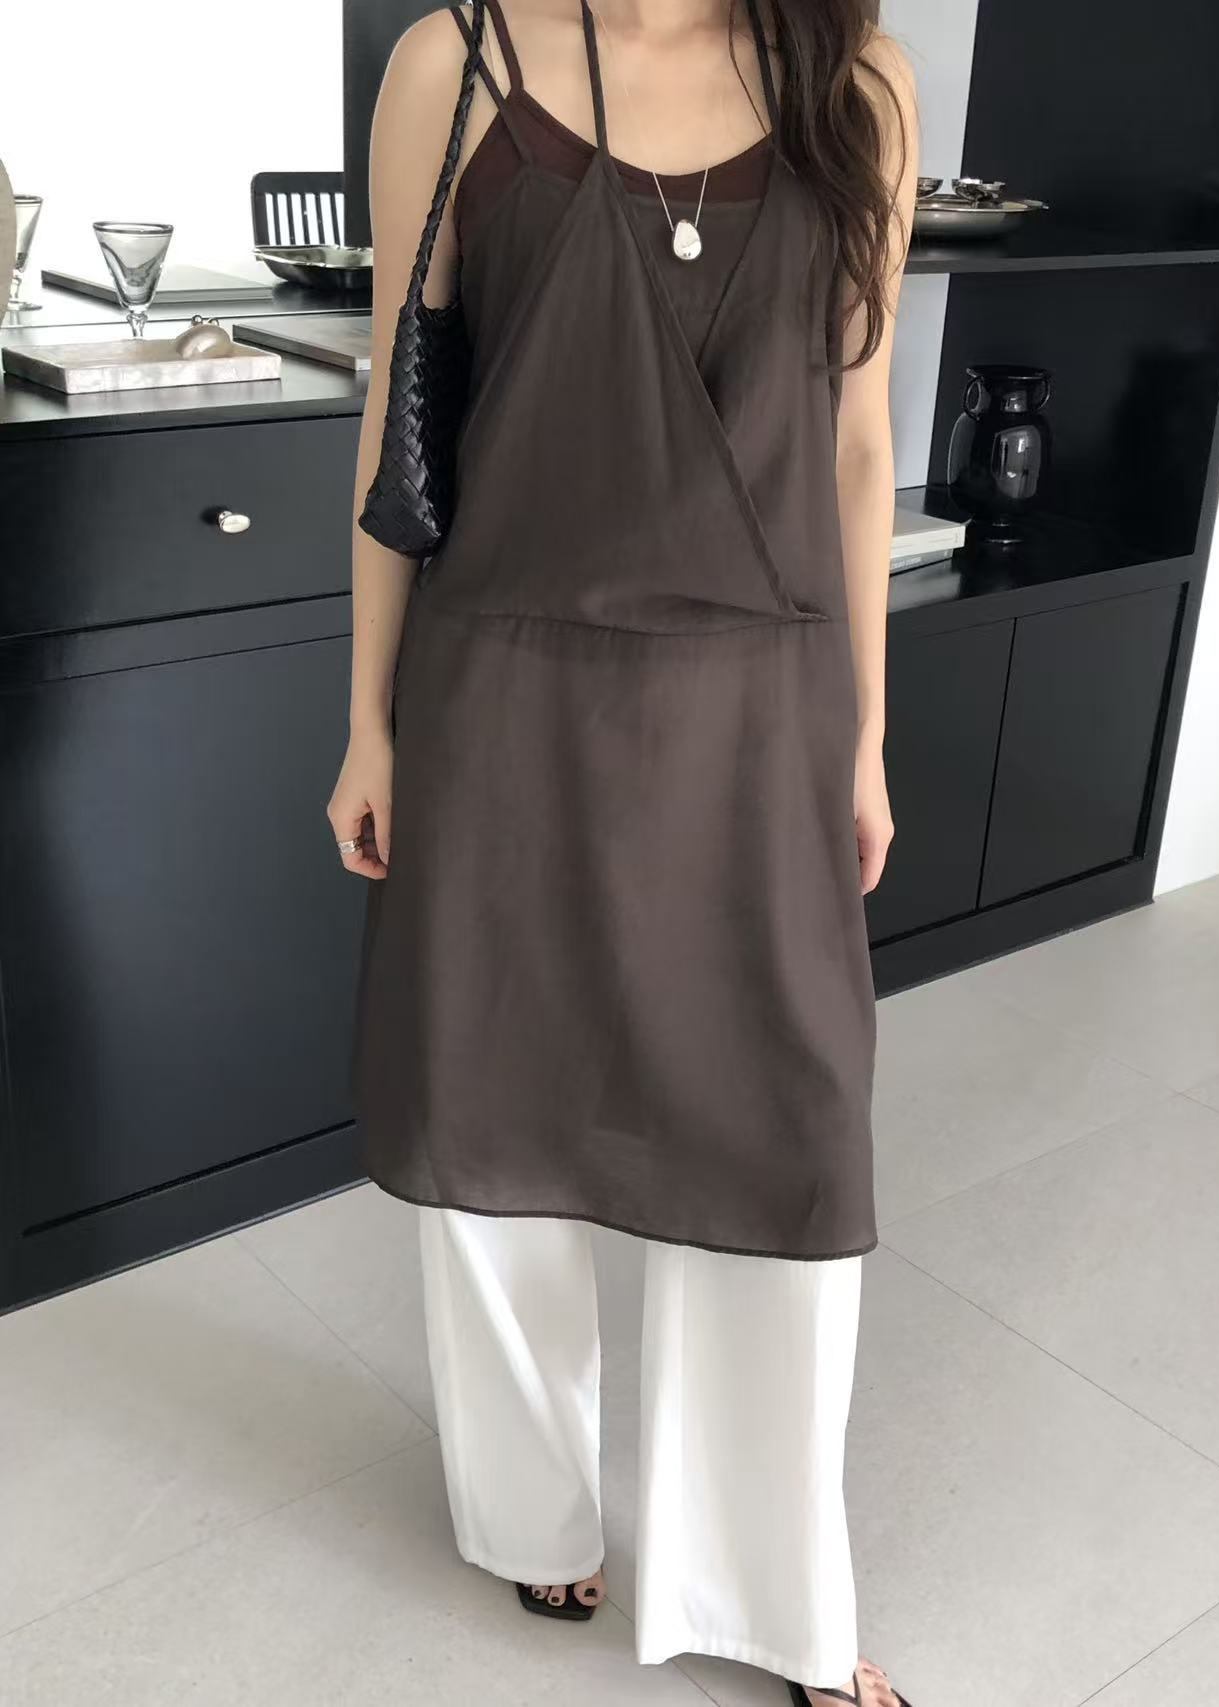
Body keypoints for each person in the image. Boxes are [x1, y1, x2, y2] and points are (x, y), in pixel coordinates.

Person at [330, 2, 918, 1701]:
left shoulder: (854, 77)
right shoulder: (457, 64)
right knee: (497, 1111)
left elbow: (859, 436)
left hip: (765, 708)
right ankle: (535, 1513)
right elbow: (400, 420)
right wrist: (367, 719)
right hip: (504, 688)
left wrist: (867, 735)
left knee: (785, 1133)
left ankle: (781, 1604)